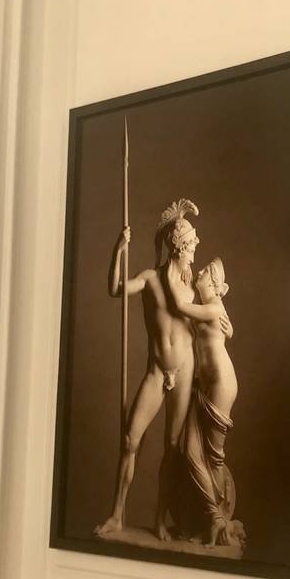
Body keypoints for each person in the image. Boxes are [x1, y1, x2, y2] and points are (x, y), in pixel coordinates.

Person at [96, 199, 215, 541]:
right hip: (157, 371)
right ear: (177, 246)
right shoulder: (151, 279)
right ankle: (117, 515)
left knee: (173, 447)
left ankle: (160, 519)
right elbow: (116, 290)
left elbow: (212, 321)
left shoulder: (193, 287)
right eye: (191, 244)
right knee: (130, 440)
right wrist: (119, 250)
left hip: (185, 371)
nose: (195, 249)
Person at [170, 258, 241, 547]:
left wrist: (172, 273)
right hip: (203, 385)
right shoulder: (211, 308)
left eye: (204, 272)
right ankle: (212, 518)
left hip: (222, 385)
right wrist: (230, 330)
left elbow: (179, 306)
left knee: (214, 457)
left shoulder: (212, 307)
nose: (198, 272)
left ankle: (219, 520)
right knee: (190, 451)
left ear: (212, 283)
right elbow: (223, 329)